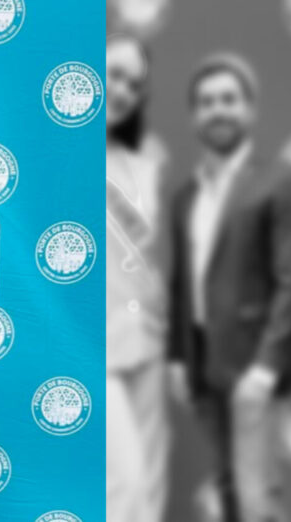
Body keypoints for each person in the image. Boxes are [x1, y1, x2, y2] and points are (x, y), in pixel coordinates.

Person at [167, 53, 291, 522]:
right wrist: (178, 357)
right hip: (205, 370)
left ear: (250, 110)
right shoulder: (186, 195)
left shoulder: (285, 182)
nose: (218, 110)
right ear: (194, 116)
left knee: (258, 500)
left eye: (229, 100)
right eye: (207, 102)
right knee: (231, 493)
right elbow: (183, 282)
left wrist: (267, 370)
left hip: (257, 371)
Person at [104, 34, 170, 522]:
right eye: (114, 73)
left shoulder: (148, 166)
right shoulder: (62, 158)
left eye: (134, 82)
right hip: (97, 348)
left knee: (149, 487)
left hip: (148, 341)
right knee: (124, 485)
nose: (122, 88)